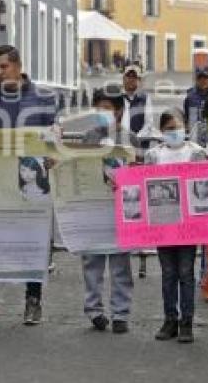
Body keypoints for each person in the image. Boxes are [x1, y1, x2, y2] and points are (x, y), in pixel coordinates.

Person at [0, 45, 57, 326]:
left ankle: (33, 299)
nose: (0, 73)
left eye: (4, 67)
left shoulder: (44, 98)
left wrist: (54, 151)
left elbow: (52, 133)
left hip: (30, 179)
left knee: (33, 237)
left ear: (18, 66)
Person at [146, 108, 207, 343]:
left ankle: (187, 322)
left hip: (188, 226)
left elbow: (205, 183)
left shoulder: (196, 152)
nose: (174, 132)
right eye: (169, 129)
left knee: (185, 273)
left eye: (178, 127)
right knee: (168, 273)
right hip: (163, 224)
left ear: (186, 128)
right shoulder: (153, 155)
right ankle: (169, 319)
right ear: (162, 131)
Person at [80, 87, 134, 334]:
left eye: (108, 108)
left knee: (120, 264)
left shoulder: (129, 138)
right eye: (98, 108)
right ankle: (94, 310)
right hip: (93, 208)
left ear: (119, 111)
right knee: (92, 261)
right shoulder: (89, 137)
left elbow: (138, 171)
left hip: (121, 210)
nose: (103, 113)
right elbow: (78, 167)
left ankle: (120, 313)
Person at [183, 66, 208, 135]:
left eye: (205, 77)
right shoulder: (190, 98)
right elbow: (187, 119)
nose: (202, 80)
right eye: (199, 78)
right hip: (195, 135)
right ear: (195, 79)